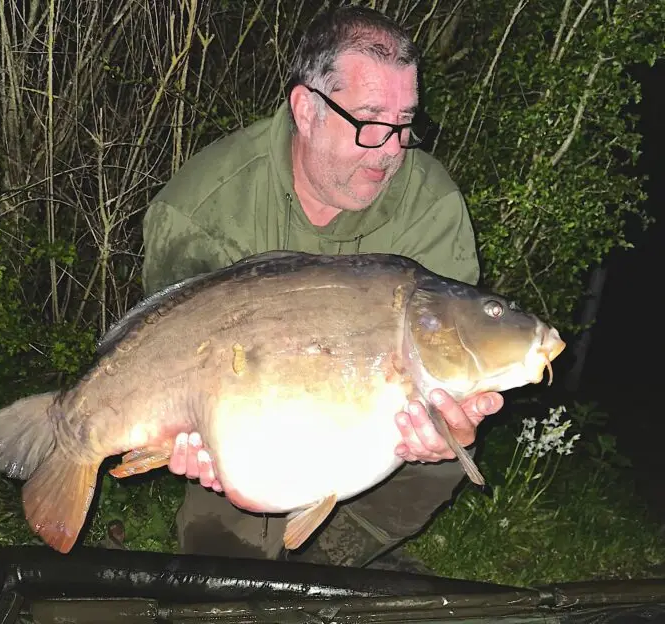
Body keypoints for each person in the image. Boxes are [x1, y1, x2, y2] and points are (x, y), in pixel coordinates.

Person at [141, 6, 503, 570]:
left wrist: (447, 423)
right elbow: (166, 347)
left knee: (446, 449)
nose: (392, 151)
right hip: (247, 408)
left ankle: (332, 562)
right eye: (372, 122)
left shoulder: (431, 204)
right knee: (228, 531)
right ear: (306, 110)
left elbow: (449, 353)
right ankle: (241, 566)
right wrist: (188, 434)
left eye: (406, 123)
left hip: (358, 408)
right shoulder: (205, 208)